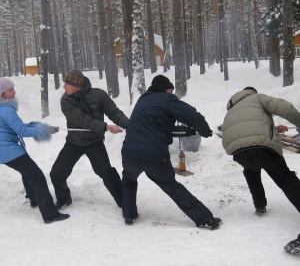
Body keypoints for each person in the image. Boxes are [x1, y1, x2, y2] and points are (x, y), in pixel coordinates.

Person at [121, 75, 222, 230]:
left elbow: (155, 127)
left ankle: (129, 215)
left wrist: (186, 131)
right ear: (165, 89)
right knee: (171, 186)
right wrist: (204, 130)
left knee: (128, 181)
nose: (171, 92)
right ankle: (205, 218)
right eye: (170, 90)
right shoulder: (167, 99)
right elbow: (193, 116)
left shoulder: (142, 101)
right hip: (154, 154)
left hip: (130, 153)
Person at [50, 70, 129, 209]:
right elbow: (83, 120)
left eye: (66, 84)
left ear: (75, 85)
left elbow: (114, 112)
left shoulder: (98, 95)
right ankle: (64, 198)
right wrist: (106, 127)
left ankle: (125, 202)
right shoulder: (66, 100)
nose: (64, 87)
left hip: (94, 142)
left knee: (105, 172)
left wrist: (131, 126)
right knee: (57, 173)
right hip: (74, 142)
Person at [0, 78, 70, 224]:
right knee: (37, 177)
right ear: (2, 94)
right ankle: (50, 214)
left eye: (13, 88)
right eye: (9, 90)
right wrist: (43, 130)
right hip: (7, 149)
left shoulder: (3, 108)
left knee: (28, 173)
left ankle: (34, 199)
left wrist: (35, 125)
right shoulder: (6, 110)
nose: (14, 92)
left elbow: (14, 126)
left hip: (5, 149)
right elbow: (22, 130)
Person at [222, 87, 300, 215]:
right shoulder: (256, 97)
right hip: (262, 148)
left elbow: (247, 129)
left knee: (251, 171)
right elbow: (284, 107)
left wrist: (274, 129)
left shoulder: (231, 110)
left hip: (238, 151)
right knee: (284, 178)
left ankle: (259, 205)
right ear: (252, 92)